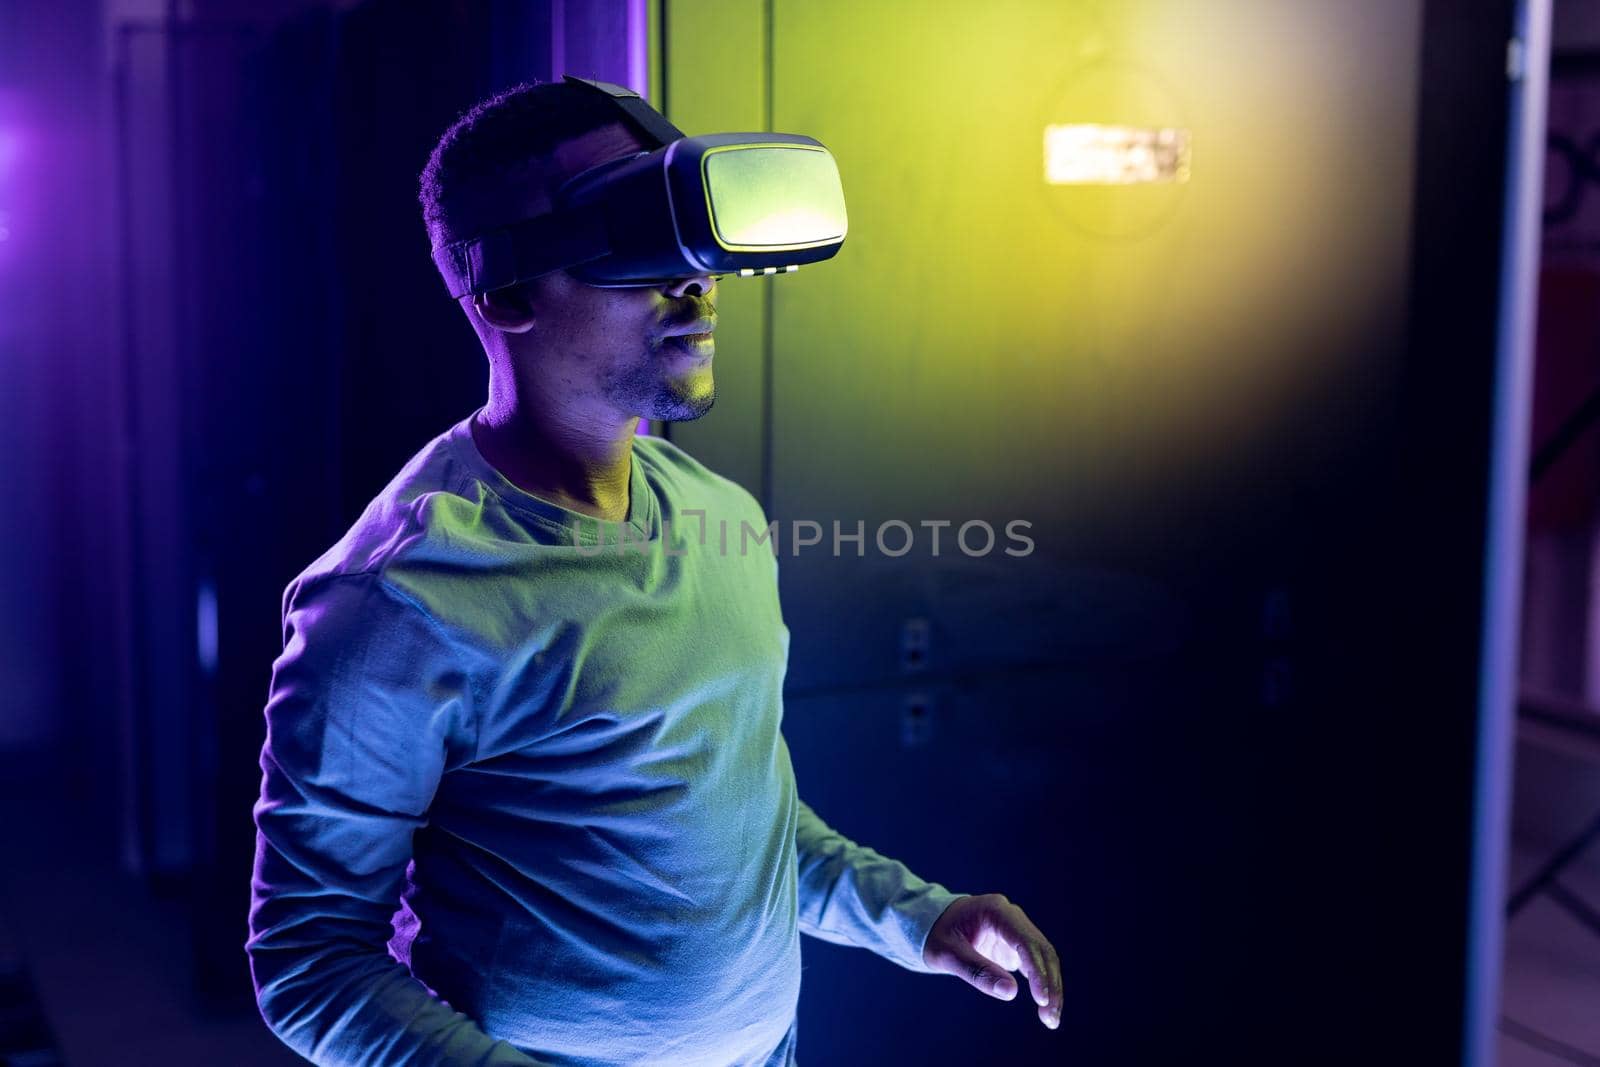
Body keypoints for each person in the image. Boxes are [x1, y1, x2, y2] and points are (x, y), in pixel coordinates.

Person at [244, 79, 1062, 1067]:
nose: (696, 282)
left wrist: (915, 918)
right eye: (636, 232)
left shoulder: (724, 521)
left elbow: (735, 820)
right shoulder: (396, 601)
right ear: (503, 289)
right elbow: (311, 958)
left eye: (697, 241)